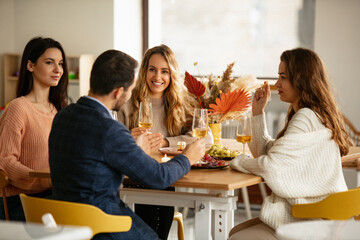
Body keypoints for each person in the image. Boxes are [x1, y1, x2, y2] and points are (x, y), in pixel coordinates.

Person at [48, 49, 205, 240]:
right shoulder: (110, 130)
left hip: (63, 220)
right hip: (100, 223)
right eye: (130, 90)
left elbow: (92, 161)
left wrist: (134, 148)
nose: (131, 95)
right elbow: (158, 177)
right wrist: (187, 157)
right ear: (118, 92)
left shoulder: (62, 116)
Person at [228, 48, 349, 239]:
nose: (277, 84)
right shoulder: (316, 113)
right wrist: (258, 112)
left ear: (301, 79)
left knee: (236, 236)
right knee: (235, 231)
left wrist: (237, 161)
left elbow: (271, 167)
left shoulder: (305, 117)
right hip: (320, 217)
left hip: (307, 219)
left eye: (283, 77)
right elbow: (266, 153)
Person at [118, 44, 201, 239]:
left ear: (171, 74)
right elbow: (114, 139)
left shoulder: (180, 104)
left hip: (165, 177)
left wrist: (166, 142)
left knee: (161, 189)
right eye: (152, 70)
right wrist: (129, 138)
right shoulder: (128, 103)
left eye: (164, 71)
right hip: (132, 180)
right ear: (144, 71)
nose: (157, 77)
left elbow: (199, 137)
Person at [0, 37, 69, 221]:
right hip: (19, 201)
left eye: (60, 64)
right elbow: (6, 162)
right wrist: (45, 180)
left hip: (53, 196)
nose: (58, 70)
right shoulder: (18, 108)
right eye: (49, 62)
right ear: (30, 66)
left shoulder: (60, 110)